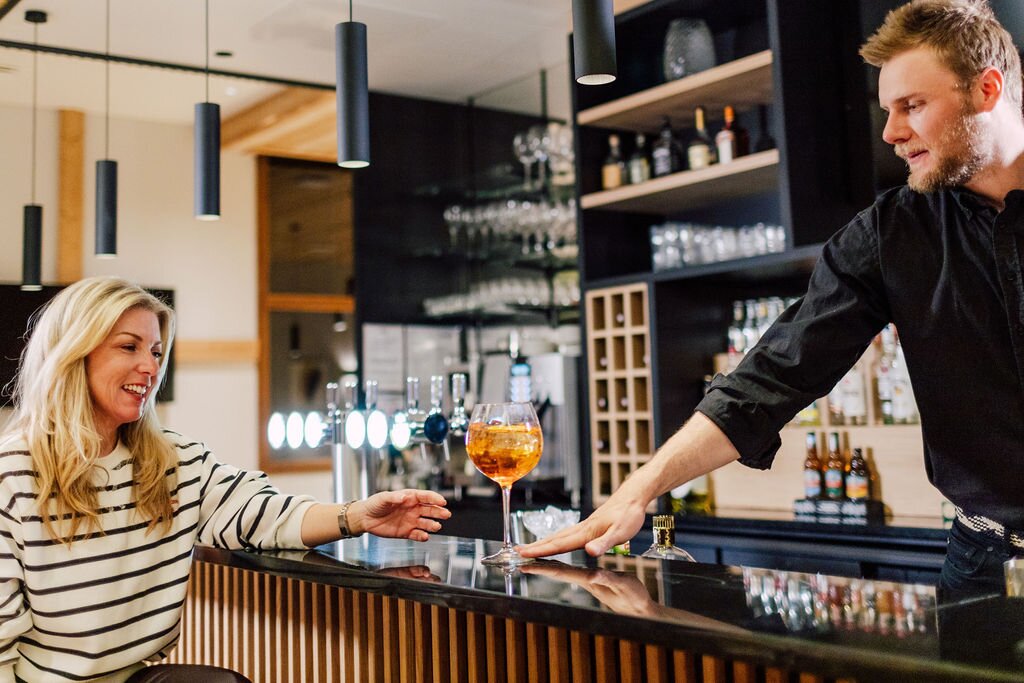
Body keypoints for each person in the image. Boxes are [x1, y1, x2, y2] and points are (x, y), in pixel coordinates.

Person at [521, 0, 1024, 599]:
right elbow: (771, 375)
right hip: (982, 561)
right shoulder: (892, 234)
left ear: (987, 90)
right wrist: (640, 488)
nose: (890, 131)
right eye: (887, 108)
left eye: (912, 106)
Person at [0, 276, 451, 682]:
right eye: (128, 346)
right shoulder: (13, 473)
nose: (151, 368)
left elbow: (262, 514)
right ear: (74, 353)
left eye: (156, 352)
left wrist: (358, 515)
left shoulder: (172, 460)